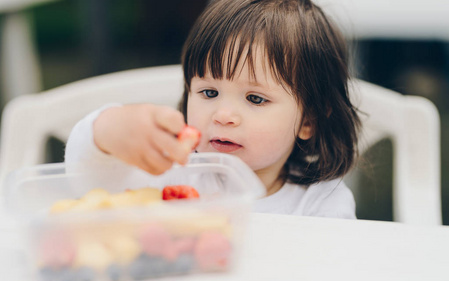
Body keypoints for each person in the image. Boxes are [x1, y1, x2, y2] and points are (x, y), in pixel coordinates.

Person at [65, 0, 361, 219]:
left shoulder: (321, 203)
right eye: (209, 92)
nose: (223, 115)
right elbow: (89, 182)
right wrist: (109, 129)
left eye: (255, 99)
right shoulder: (170, 173)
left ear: (308, 120)